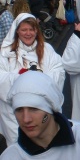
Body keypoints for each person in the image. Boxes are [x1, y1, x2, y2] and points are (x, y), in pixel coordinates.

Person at [0, 71, 80, 159]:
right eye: (19, 110)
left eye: (34, 109)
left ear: (50, 108)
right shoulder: (11, 156)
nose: (26, 119)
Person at [0, 13, 65, 145]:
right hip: (14, 114)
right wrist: (20, 77)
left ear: (36, 30)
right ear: (17, 30)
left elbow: (58, 71)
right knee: (19, 148)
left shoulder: (47, 50)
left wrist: (38, 78)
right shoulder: (6, 53)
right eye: (24, 30)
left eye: (31, 29)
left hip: (42, 111)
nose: (28, 33)